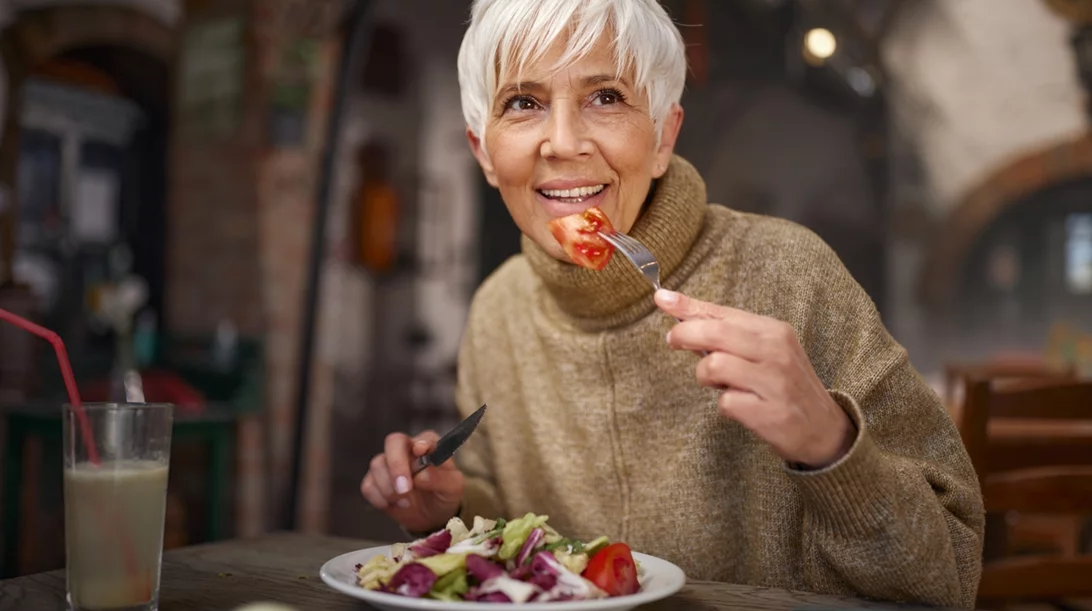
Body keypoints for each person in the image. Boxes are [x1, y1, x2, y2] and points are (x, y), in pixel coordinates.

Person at [360, 0, 985, 607]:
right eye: (523, 103)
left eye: (606, 97)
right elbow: (513, 532)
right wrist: (450, 509)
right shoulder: (497, 311)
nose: (563, 142)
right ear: (483, 153)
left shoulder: (793, 273)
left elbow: (950, 579)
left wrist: (832, 445)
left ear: (663, 136)